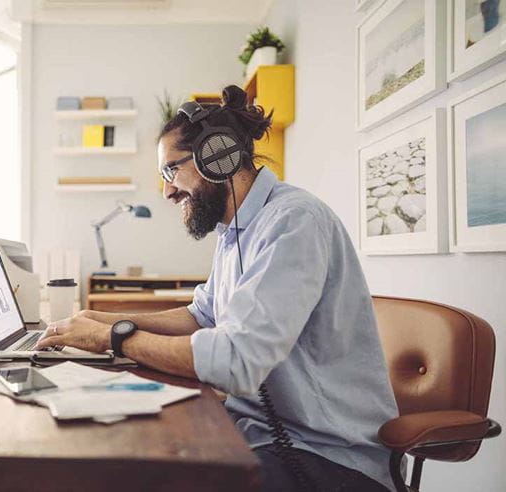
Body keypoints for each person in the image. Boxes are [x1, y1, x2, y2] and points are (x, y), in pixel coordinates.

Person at [37, 85, 398, 491]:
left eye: (171, 170)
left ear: (218, 156)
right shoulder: (235, 232)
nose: (167, 191)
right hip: (258, 433)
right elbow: (201, 316)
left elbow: (236, 362)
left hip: (326, 455)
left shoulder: (294, 221)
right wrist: (101, 319)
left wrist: (113, 337)